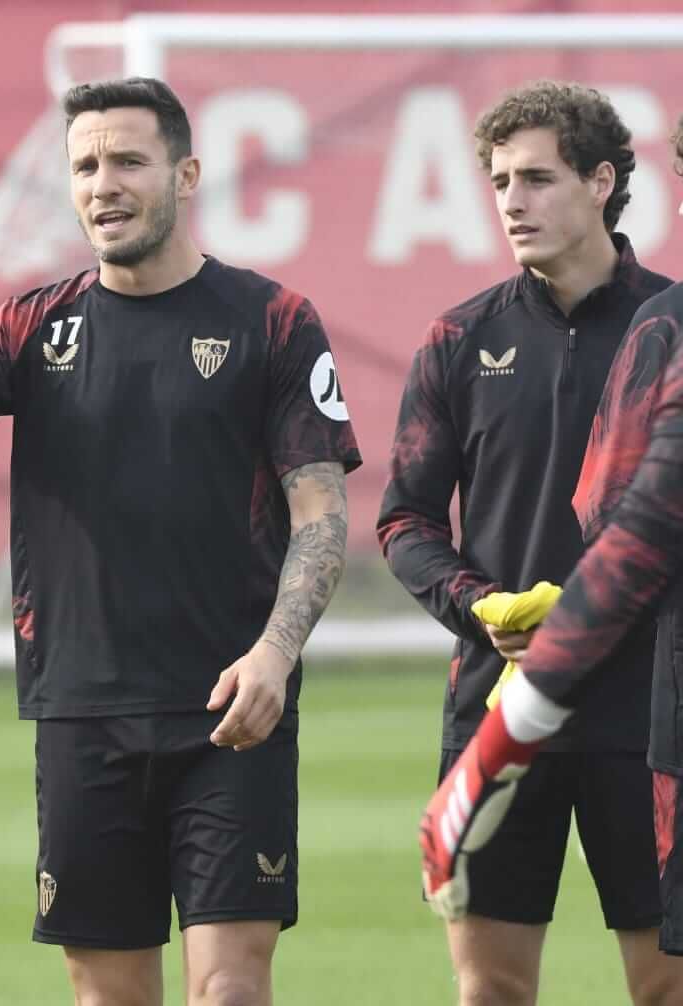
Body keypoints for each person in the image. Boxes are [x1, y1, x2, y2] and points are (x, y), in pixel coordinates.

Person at [0, 77, 359, 1006]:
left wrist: (276, 654)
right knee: (108, 998)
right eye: (85, 165)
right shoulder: (30, 326)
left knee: (232, 992)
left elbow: (322, 514)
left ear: (186, 172)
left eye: (128, 159)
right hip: (83, 711)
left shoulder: (272, 321)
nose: (104, 183)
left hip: (230, 709)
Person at [378, 81, 678, 1005]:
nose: (512, 201)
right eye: (500, 180)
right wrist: (482, 607)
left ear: (601, 181)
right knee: (491, 990)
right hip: (498, 707)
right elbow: (405, 520)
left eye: (537, 178)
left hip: (652, 710)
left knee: (665, 986)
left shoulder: (669, 329)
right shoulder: (460, 340)